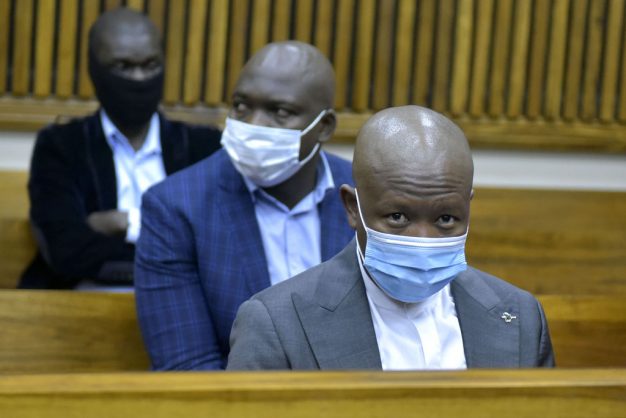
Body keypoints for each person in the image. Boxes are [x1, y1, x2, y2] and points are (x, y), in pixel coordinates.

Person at [227, 105, 555, 370]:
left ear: (467, 207)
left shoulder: (521, 317)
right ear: (353, 208)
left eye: (445, 219)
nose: (423, 239)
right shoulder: (276, 324)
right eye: (398, 217)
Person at [134, 41, 354, 370]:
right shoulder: (176, 207)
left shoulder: (366, 194)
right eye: (240, 106)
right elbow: (187, 365)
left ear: (324, 127)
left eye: (280, 112)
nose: (254, 124)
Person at [19, 8, 221, 290]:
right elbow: (66, 249)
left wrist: (121, 222)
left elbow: (220, 245)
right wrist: (176, 254)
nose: (139, 78)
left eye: (150, 65)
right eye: (123, 67)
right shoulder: (61, 145)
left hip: (180, 300)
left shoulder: (204, 147)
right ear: (94, 70)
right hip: (79, 302)